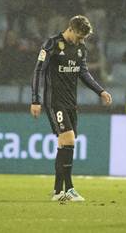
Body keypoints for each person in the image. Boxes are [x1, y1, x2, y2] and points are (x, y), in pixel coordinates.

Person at [31, 15, 112, 202]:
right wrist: (35, 99)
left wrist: (100, 91)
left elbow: (83, 72)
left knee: (64, 145)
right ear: (71, 29)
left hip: (71, 103)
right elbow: (38, 71)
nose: (82, 40)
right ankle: (70, 189)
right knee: (69, 140)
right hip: (55, 101)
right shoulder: (51, 44)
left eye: (84, 38)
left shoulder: (81, 48)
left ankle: (58, 191)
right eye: (80, 36)